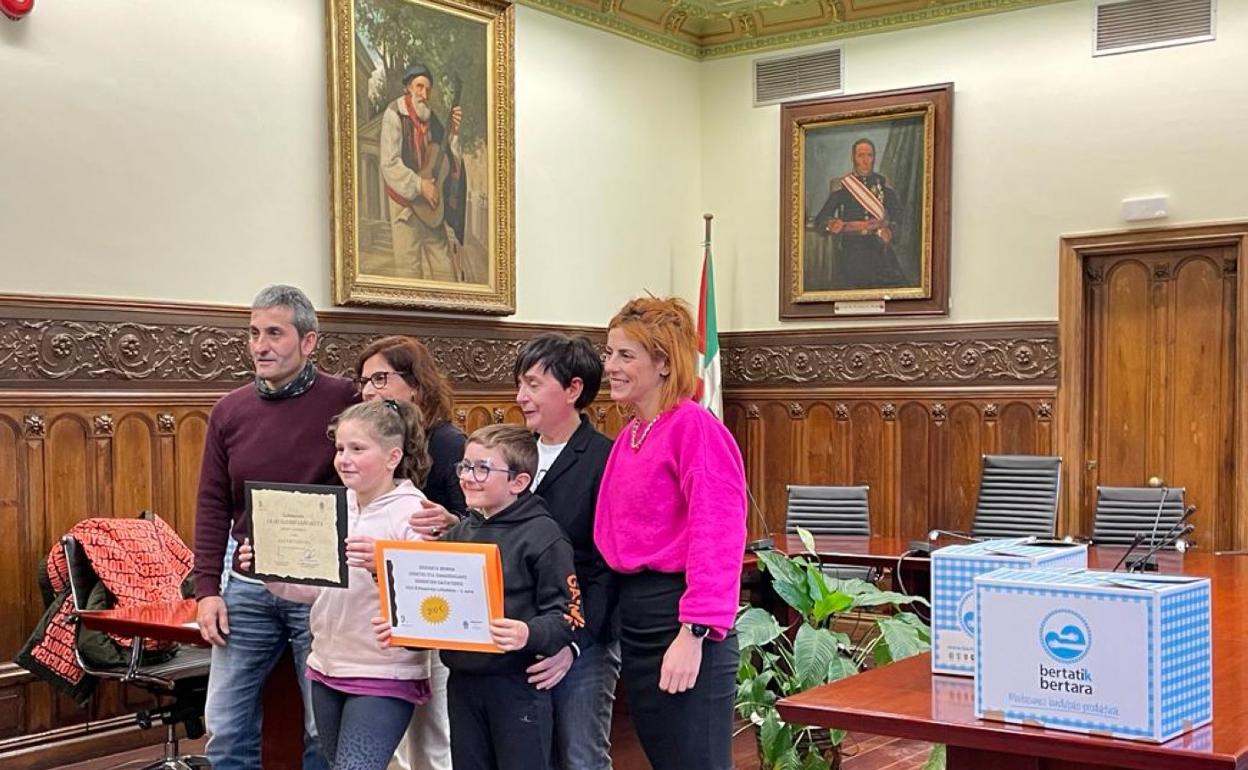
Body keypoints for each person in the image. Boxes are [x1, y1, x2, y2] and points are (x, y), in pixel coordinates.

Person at [192, 284, 357, 770]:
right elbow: (212, 503)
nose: (260, 346)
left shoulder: (345, 400)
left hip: (321, 589)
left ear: (308, 343)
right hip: (245, 585)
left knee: (321, 727)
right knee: (224, 723)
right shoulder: (230, 410)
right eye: (254, 333)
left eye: (274, 334)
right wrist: (207, 590)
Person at [238, 399, 434, 770]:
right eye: (340, 448)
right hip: (327, 664)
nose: (344, 459)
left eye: (358, 449)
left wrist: (383, 563)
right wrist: (271, 570)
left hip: (384, 670)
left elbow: (428, 597)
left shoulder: (413, 512)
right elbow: (315, 591)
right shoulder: (333, 506)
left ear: (393, 457)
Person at [593, 297, 747, 770]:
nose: (611, 367)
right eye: (608, 354)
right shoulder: (631, 435)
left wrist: (695, 631)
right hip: (638, 622)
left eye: (625, 355)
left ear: (662, 363)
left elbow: (717, 533)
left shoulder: (695, 428)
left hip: (682, 622)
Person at [375, 424, 581, 770]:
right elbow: (438, 609)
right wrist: (404, 627)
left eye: (482, 468)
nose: (467, 477)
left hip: (518, 685)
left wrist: (527, 633)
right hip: (463, 683)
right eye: (464, 466)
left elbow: (570, 615)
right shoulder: (458, 533)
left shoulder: (544, 536)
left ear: (519, 482)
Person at [353, 335, 463, 770]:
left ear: (416, 385)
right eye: (364, 381)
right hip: (376, 607)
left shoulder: (449, 443)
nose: (370, 391)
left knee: (433, 729)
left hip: (433, 600)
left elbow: (475, 523)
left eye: (381, 378)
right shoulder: (368, 443)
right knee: (391, 738)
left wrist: (449, 524)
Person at [513, 334, 617, 770]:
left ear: (573, 389)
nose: (521, 397)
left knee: (580, 757)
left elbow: (607, 567)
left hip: (585, 640)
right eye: (520, 384)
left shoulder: (605, 459)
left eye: (534, 385)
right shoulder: (511, 455)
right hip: (521, 633)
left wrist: (573, 645)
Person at [380, 63, 467, 282]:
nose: (424, 94)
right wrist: (420, 185)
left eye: (428, 89)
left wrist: (454, 133)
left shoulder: (432, 119)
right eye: (419, 87)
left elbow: (449, 157)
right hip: (405, 208)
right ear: (407, 88)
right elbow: (389, 164)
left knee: (446, 272)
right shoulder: (394, 114)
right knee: (409, 274)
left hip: (431, 209)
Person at [811, 137, 906, 290]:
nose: (865, 160)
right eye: (861, 155)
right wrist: (830, 224)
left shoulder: (882, 184)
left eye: (869, 155)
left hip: (879, 246)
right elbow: (820, 220)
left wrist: (891, 231)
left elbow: (898, 215)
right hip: (852, 246)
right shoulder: (844, 186)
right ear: (853, 158)